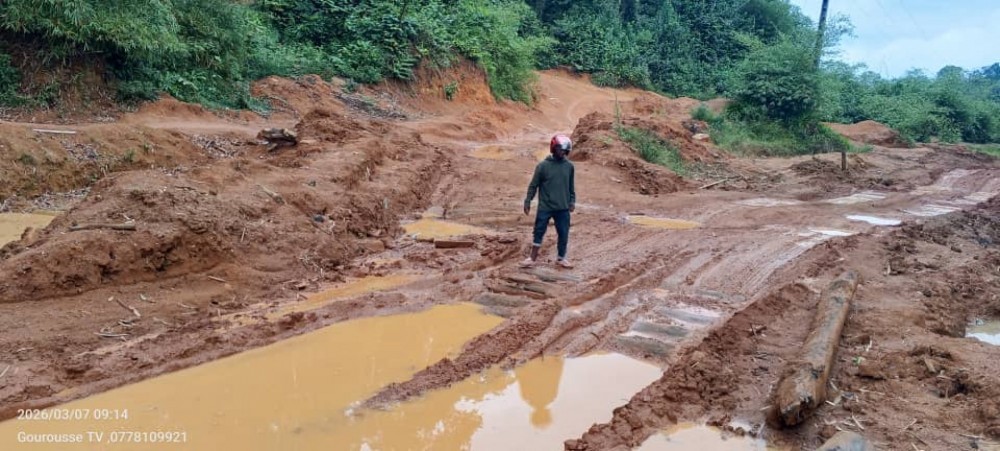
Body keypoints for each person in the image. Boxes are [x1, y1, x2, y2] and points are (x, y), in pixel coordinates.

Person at [521, 134, 575, 268]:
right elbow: (533, 185)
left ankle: (561, 258)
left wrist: (572, 201)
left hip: (563, 207)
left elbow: (571, 186)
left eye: (565, 150)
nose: (562, 152)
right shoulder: (543, 166)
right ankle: (532, 258)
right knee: (538, 232)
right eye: (560, 149)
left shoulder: (569, 167)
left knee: (563, 233)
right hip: (545, 207)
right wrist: (528, 201)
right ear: (553, 148)